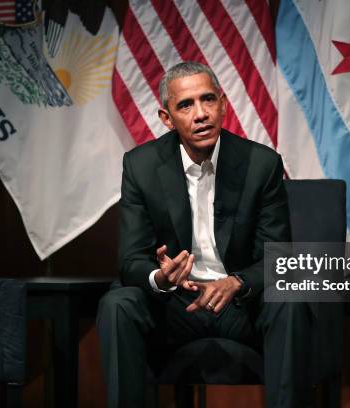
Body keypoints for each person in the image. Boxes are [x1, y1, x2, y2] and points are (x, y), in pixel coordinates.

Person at [96, 62, 314, 407]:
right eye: (185, 105)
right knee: (117, 305)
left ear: (223, 104)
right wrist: (160, 277)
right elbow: (130, 260)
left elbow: (278, 258)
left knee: (289, 300)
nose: (201, 114)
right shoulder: (140, 165)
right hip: (174, 307)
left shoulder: (261, 164)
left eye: (208, 100)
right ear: (167, 118)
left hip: (240, 306)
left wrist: (237, 283)